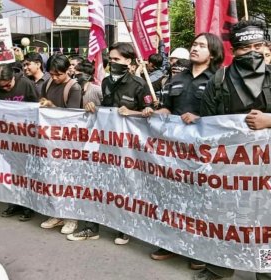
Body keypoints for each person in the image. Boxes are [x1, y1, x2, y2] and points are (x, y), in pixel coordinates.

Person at [199, 19, 271, 280]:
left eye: (258, 45)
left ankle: (265, 271)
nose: (252, 52)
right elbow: (206, 126)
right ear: (233, 50)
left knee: (267, 223)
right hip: (229, 169)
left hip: (267, 172)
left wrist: (269, 121)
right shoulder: (218, 81)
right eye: (245, 48)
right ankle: (218, 268)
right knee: (225, 220)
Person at [147, 33, 224, 269]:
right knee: (173, 197)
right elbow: (168, 108)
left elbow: (225, 117)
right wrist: (158, 112)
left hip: (205, 153)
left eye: (201, 45)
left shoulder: (221, 79)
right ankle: (172, 244)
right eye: (194, 44)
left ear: (213, 53)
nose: (195, 48)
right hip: (176, 152)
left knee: (202, 202)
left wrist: (202, 119)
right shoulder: (177, 78)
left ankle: (201, 251)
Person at [68, 42, 154, 243]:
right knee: (96, 184)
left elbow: (151, 117)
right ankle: (91, 227)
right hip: (105, 143)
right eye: (111, 59)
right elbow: (105, 110)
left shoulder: (139, 85)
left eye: (117, 59)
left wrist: (133, 112)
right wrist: (93, 107)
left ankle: (125, 228)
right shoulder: (106, 82)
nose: (112, 62)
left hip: (128, 148)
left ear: (128, 61)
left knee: (125, 187)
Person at [0, 63, 38, 221]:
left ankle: (29, 205)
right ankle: (14, 202)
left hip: (26, 137)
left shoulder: (26, 84)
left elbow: (38, 106)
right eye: (2, 87)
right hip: (7, 138)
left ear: (13, 78)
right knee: (11, 171)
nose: (6, 89)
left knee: (26, 171)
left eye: (8, 85)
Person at [39, 54, 82, 235]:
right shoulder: (47, 84)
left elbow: (72, 116)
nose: (55, 78)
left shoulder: (74, 87)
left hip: (69, 141)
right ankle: (57, 213)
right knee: (52, 178)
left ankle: (72, 218)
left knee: (69, 180)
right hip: (50, 140)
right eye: (52, 74)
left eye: (59, 74)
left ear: (67, 71)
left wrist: (52, 108)